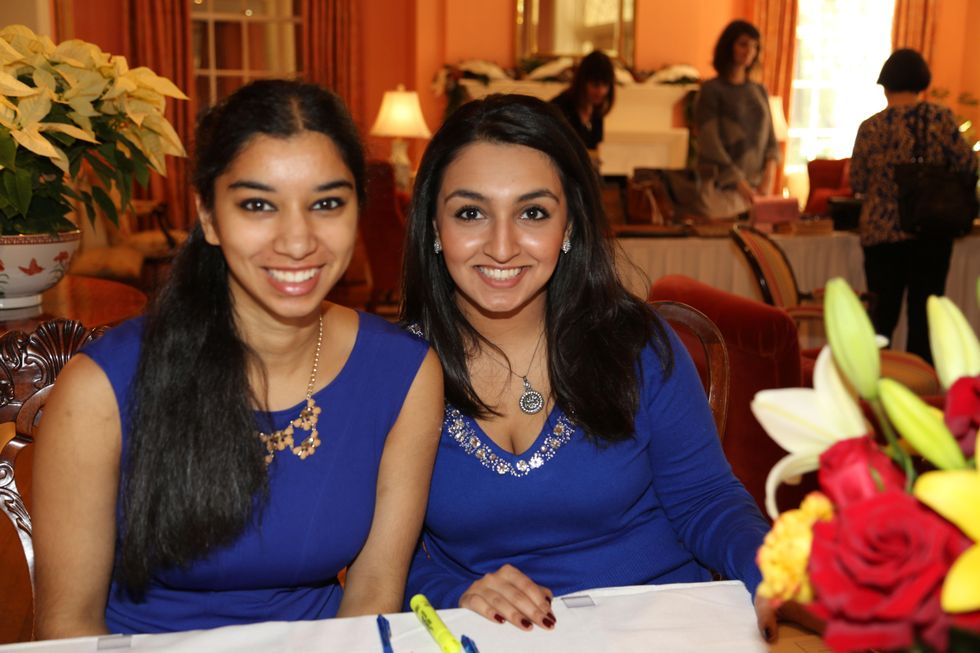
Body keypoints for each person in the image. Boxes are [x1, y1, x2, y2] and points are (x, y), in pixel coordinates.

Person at [31, 79, 443, 638]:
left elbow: (372, 594)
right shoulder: (102, 387)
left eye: (326, 203)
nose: (298, 240)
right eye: (257, 204)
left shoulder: (403, 374)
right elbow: (68, 627)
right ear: (208, 216)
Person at [400, 94, 775, 639]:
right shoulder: (396, 372)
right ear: (434, 226)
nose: (502, 246)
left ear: (569, 224)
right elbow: (373, 555)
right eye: (471, 213)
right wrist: (451, 592)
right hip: (495, 636)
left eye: (533, 213)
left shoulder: (637, 346)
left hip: (661, 626)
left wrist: (772, 573)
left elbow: (707, 501)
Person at [850, 48, 977, 364]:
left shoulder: (871, 127)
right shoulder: (940, 119)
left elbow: (858, 182)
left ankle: (875, 390)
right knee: (925, 318)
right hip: (931, 232)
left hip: (882, 236)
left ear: (886, 84)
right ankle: (921, 391)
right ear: (922, 83)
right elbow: (968, 166)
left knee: (881, 321)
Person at [683, 19, 779, 219]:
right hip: (723, 191)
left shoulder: (759, 90)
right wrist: (738, 182)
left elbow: (771, 139)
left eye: (754, 46)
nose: (749, 51)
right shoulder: (711, 90)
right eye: (743, 44)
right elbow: (710, 143)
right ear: (729, 46)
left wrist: (768, 179)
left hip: (758, 190)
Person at [549, 50, 615, 151]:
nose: (601, 91)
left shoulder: (596, 111)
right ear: (583, 82)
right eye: (595, 84)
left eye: (605, 85)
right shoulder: (561, 107)